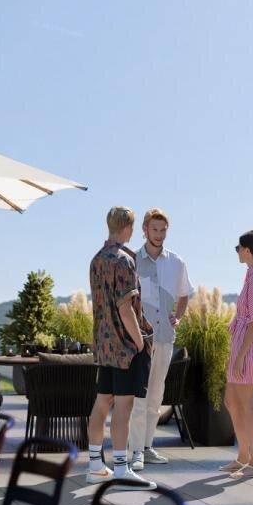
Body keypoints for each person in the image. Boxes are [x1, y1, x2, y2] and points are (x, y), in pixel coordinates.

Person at [86, 205, 149, 481]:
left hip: (103, 344)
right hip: (123, 345)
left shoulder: (96, 259)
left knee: (102, 403)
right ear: (128, 228)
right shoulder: (123, 260)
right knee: (123, 408)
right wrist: (139, 343)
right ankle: (122, 469)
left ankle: (94, 466)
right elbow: (126, 308)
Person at [128, 207, 193, 469]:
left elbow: (185, 293)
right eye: (154, 229)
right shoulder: (131, 260)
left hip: (165, 337)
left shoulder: (176, 262)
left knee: (156, 396)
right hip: (140, 340)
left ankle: (147, 446)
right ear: (145, 230)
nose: (159, 234)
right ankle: (135, 452)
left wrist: (178, 316)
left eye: (163, 229)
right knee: (139, 397)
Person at [222, 229, 253, 478]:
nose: (237, 252)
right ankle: (243, 456)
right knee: (231, 401)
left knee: (245, 404)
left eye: (238, 248)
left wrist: (241, 356)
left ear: (247, 251)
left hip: (249, 346)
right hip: (243, 343)